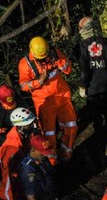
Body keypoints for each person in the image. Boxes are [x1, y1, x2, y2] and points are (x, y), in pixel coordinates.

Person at [18, 36, 78, 164]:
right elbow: (23, 86)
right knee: (48, 134)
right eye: (40, 58)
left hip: (62, 96)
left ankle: (66, 153)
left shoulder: (55, 53)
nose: (44, 59)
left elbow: (68, 70)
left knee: (71, 127)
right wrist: (39, 81)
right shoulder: (25, 63)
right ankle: (52, 161)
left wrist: (59, 63)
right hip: (44, 102)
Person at [77, 16, 107, 166]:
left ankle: (101, 146)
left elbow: (84, 69)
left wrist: (83, 85)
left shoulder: (83, 45)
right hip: (105, 83)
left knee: (96, 117)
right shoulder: (103, 41)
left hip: (92, 87)